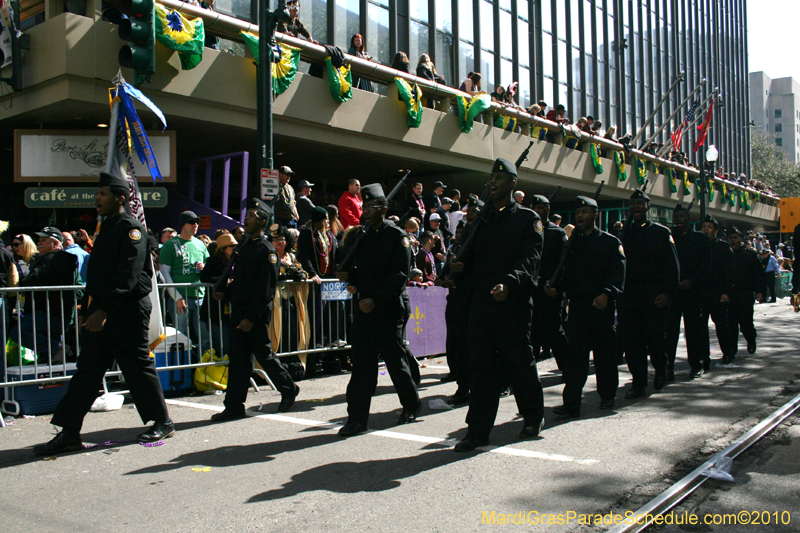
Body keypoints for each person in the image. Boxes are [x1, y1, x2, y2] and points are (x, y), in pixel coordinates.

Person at [33, 172, 174, 455]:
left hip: (126, 310)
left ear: (120, 198)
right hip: (101, 310)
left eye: (103, 194)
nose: (97, 199)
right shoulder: (107, 227)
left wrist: (103, 310)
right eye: (97, 194)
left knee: (136, 366)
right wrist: (92, 308)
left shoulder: (131, 228)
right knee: (87, 372)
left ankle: (162, 421)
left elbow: (129, 275)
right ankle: (69, 432)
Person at [451, 158, 545, 452]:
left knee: (519, 363)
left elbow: (530, 259)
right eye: (491, 178)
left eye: (499, 178)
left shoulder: (527, 219)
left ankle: (532, 416)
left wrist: (510, 282)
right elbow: (473, 256)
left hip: (511, 303)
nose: (493, 182)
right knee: (481, 367)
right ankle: (477, 430)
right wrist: (458, 267)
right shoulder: (483, 220)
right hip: (481, 303)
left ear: (512, 184)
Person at [336, 183, 420, 436]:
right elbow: (360, 270)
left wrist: (377, 298)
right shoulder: (362, 235)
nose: (365, 211)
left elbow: (399, 275)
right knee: (362, 366)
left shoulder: (397, 237)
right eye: (364, 206)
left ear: (382, 209)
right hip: (363, 308)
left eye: (370, 207)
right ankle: (357, 419)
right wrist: (349, 277)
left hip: (388, 308)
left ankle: (411, 405)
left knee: (395, 361)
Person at [210, 199, 300, 421]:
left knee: (264, 356)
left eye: (250, 215)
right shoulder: (243, 247)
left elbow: (265, 290)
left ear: (261, 220)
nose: (246, 218)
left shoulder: (266, 250)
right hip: (238, 310)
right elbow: (241, 282)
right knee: (238, 361)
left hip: (255, 314)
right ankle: (234, 405)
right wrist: (225, 293)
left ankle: (288, 388)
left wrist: (251, 318)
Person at [549, 196, 625, 416]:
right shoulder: (572, 243)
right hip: (579, 306)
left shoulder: (610, 242)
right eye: (578, 212)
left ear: (595, 214)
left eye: (585, 212)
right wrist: (556, 288)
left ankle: (608, 396)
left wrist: (607, 294)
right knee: (576, 357)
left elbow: (618, 274)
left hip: (601, 305)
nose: (580, 216)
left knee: (604, 356)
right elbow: (565, 272)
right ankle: (571, 403)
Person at [618, 189, 679, 399]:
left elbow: (672, 267)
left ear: (647, 206)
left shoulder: (661, 233)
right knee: (633, 342)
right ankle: (638, 382)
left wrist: (667, 293)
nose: (636, 207)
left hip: (654, 294)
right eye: (633, 203)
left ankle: (661, 370)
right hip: (630, 295)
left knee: (656, 339)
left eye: (640, 203)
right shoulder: (624, 234)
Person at [15, 227, 78, 364]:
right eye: (39, 240)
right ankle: (60, 352)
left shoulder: (53, 258)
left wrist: (23, 277)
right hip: (53, 312)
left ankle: (60, 349)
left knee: (18, 332)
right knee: (52, 362)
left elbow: (33, 281)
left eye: (44, 240)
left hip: (49, 312)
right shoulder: (56, 258)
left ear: (55, 243)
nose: (39, 243)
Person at [666, 203, 711, 379]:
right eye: (676, 217)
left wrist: (692, 280)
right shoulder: (669, 238)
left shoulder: (700, 239)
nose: (678, 220)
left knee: (694, 330)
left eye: (682, 217)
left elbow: (705, 265)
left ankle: (696, 364)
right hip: (674, 291)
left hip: (694, 291)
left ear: (689, 219)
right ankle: (668, 366)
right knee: (670, 331)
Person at [158, 210, 209, 356]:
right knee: (181, 336)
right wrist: (177, 297)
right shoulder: (170, 245)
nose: (195, 225)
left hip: (200, 296)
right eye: (191, 222)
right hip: (180, 299)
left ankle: (204, 368)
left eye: (197, 222)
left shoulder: (200, 244)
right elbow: (164, 273)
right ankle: (183, 370)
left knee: (204, 337)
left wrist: (204, 268)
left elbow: (209, 266)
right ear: (182, 225)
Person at [531, 195, 569, 368]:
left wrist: (557, 286)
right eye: (535, 207)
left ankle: (566, 366)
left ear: (548, 209)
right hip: (533, 287)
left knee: (554, 330)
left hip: (550, 288)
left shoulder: (557, 233)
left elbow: (563, 263)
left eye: (540, 208)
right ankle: (527, 371)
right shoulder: (530, 230)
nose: (537, 211)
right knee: (532, 332)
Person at [700, 215, 736, 365]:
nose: (706, 229)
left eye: (709, 227)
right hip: (701, 292)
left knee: (721, 325)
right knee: (700, 327)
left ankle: (727, 352)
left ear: (715, 231)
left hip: (718, 291)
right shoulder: (698, 245)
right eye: (704, 227)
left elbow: (729, 271)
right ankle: (703, 357)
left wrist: (726, 291)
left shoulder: (722, 247)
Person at [728, 228, 765, 357]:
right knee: (731, 325)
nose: (733, 240)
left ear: (741, 240)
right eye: (731, 237)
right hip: (730, 294)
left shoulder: (749, 255)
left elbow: (758, 275)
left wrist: (760, 291)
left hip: (745, 294)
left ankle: (751, 340)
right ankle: (731, 350)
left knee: (746, 322)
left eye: (735, 237)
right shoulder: (726, 255)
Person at [199, 233, 237, 357]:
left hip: (232, 308)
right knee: (223, 344)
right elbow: (205, 277)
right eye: (231, 246)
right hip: (216, 308)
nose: (234, 249)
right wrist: (222, 282)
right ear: (223, 249)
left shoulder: (237, 261)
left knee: (232, 343)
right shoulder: (213, 261)